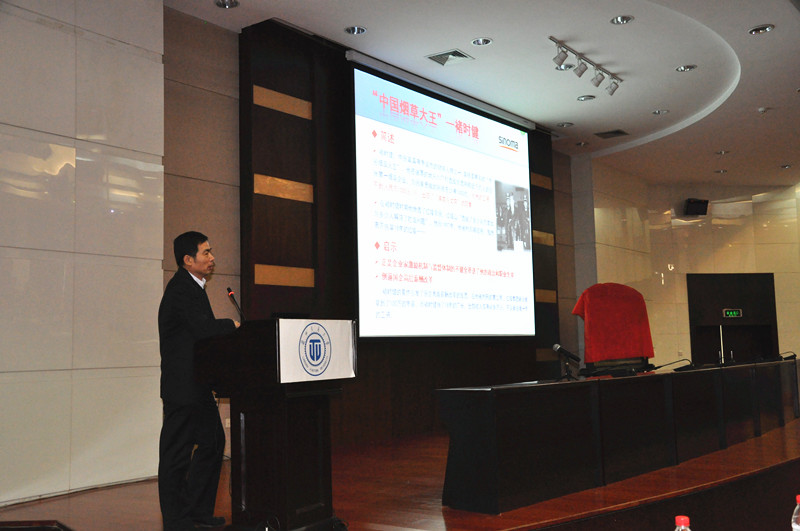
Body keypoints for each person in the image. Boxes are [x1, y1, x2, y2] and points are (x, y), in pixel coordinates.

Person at [158, 231, 240, 531]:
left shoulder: (194, 286)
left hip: (198, 384)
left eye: (211, 251)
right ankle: (176, 520)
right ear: (187, 260)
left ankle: (197, 511)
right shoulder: (180, 289)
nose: (212, 258)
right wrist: (232, 325)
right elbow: (202, 329)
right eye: (205, 253)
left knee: (213, 441)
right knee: (176, 454)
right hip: (183, 388)